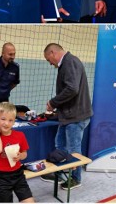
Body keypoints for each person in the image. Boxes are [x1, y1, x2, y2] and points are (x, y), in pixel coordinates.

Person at [41, 43, 93, 190]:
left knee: (73, 150)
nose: (50, 63)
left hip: (75, 117)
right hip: (68, 116)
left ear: (52, 53)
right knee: (60, 145)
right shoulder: (67, 63)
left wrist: (53, 102)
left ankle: (76, 178)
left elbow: (72, 88)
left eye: (48, 59)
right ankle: (61, 173)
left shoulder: (70, 62)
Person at [0, 102, 34, 203]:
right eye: (3, 119)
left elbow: (25, 153)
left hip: (18, 175)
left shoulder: (20, 135)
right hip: (0, 178)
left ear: (14, 122)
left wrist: (20, 156)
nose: (6, 123)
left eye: (10, 120)